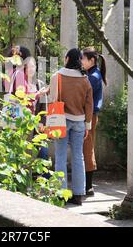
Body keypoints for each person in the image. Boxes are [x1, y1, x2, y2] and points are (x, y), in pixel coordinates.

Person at [48, 48, 93, 205]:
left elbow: (53, 99)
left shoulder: (57, 76)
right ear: (79, 60)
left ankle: (61, 194)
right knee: (78, 156)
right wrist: (87, 125)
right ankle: (79, 194)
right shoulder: (85, 80)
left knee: (60, 157)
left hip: (61, 120)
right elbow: (89, 105)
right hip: (80, 122)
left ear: (67, 58)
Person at [80, 47, 107, 196]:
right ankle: (87, 185)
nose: (81, 61)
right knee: (86, 146)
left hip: (90, 115)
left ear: (92, 60)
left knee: (87, 146)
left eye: (83, 58)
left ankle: (89, 186)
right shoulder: (92, 74)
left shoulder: (93, 77)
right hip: (89, 114)